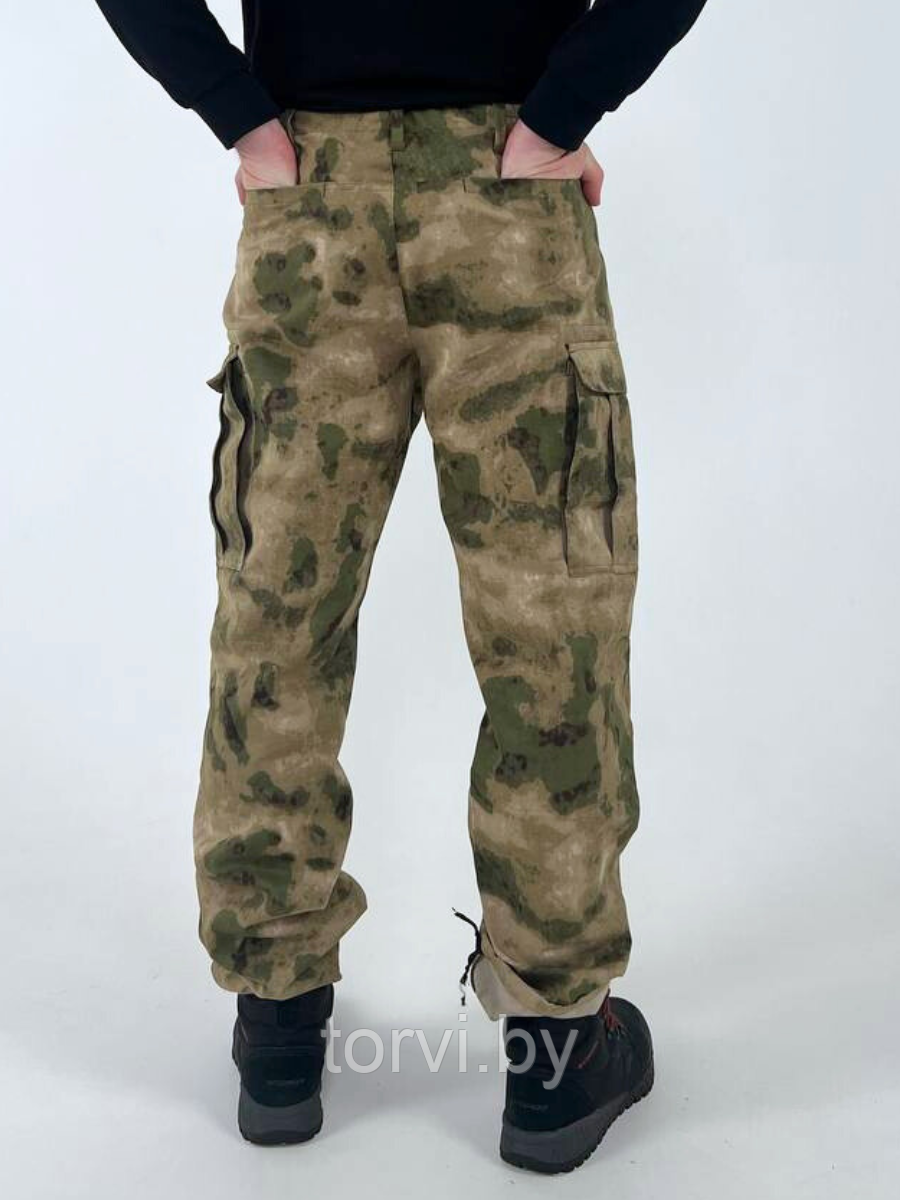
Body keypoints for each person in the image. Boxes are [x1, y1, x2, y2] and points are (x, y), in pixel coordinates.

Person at [95, 0, 707, 1172]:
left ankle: (279, 1029)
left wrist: (246, 123)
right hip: (507, 202)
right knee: (552, 625)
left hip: (311, 198)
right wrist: (556, 118)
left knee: (279, 624)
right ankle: (557, 1054)